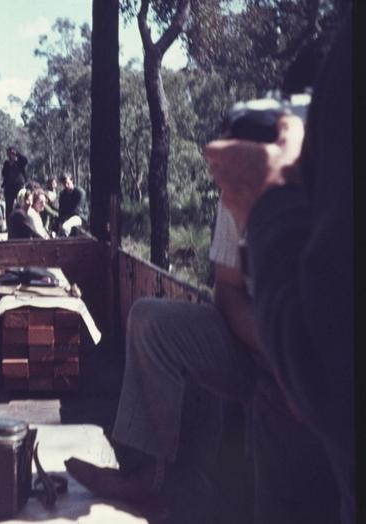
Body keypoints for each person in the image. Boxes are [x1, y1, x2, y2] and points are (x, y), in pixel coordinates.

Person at [66, 201, 339, 523]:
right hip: (255, 337)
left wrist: (292, 357)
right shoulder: (238, 176)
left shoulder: (325, 176)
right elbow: (228, 291)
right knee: (150, 322)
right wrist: (270, 344)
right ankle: (148, 479)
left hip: (319, 352)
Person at [206, 20, 352, 524]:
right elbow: (228, 295)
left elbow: (318, 366)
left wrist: (272, 204)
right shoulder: (263, 177)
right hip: (264, 343)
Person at [0, 147, 28, 225]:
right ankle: (9, 224)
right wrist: (9, 165)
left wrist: (17, 153)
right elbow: (3, 173)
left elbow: (25, 160)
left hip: (19, 186)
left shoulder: (20, 162)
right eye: (8, 153)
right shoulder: (6, 163)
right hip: (9, 187)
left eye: (11, 153)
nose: (10, 154)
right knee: (8, 207)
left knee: (21, 204)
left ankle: (23, 222)